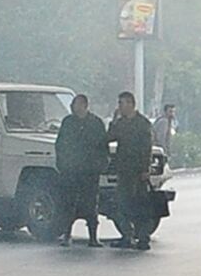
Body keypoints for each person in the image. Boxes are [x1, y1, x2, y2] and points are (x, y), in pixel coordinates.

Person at [53, 94, 109, 248]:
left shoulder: (96, 123)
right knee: (68, 203)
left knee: (91, 205)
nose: (73, 107)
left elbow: (102, 146)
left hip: (90, 172)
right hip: (70, 171)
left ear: (84, 105)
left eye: (76, 104)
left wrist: (101, 165)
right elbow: (60, 144)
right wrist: (62, 164)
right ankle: (66, 234)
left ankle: (93, 237)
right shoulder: (68, 122)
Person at [108, 91, 156, 251]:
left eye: (122, 103)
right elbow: (109, 137)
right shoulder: (120, 123)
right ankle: (127, 236)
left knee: (139, 206)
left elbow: (147, 148)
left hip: (138, 171)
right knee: (122, 204)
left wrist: (145, 169)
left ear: (130, 104)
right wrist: (114, 121)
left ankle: (143, 238)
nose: (120, 107)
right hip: (124, 170)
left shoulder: (142, 123)